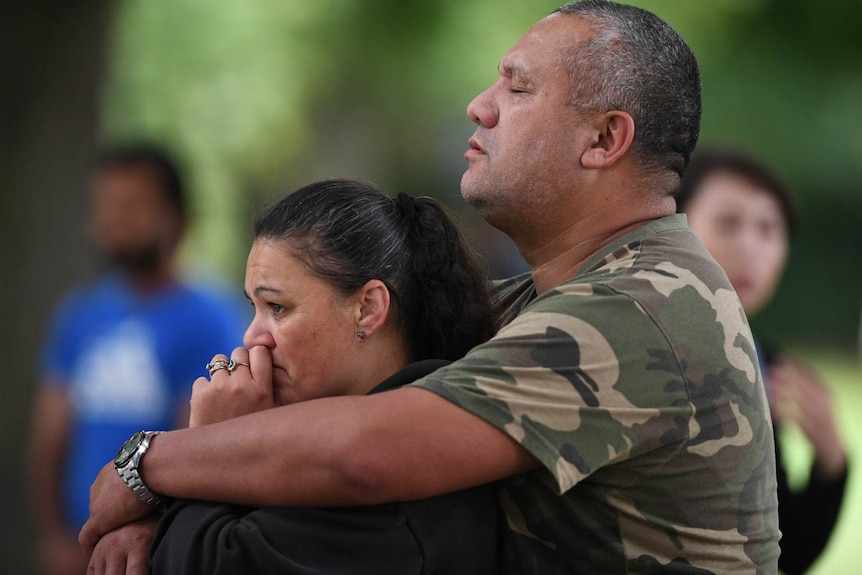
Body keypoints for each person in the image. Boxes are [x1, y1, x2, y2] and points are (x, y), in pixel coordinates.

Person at [81, 2, 781, 573]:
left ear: (603, 140)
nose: (479, 107)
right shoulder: (547, 299)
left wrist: (149, 464)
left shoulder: (641, 307)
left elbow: (366, 455)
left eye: (517, 87)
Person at [145, 178, 501, 574]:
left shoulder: (401, 478)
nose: (252, 337)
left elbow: (213, 563)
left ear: (367, 308)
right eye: (255, 307)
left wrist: (209, 450)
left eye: (277, 307)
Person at [25, 144, 247, 575]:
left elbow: (205, 444)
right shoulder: (80, 315)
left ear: (178, 216)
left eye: (132, 206)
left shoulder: (211, 320)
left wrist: (156, 530)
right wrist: (55, 536)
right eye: (104, 206)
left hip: (155, 550)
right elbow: (50, 438)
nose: (114, 220)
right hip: (76, 549)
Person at [677, 146, 850, 575]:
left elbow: (782, 553)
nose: (751, 247)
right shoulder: (648, 347)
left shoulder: (764, 360)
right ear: (675, 228)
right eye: (728, 223)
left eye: (769, 229)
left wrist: (831, 461)